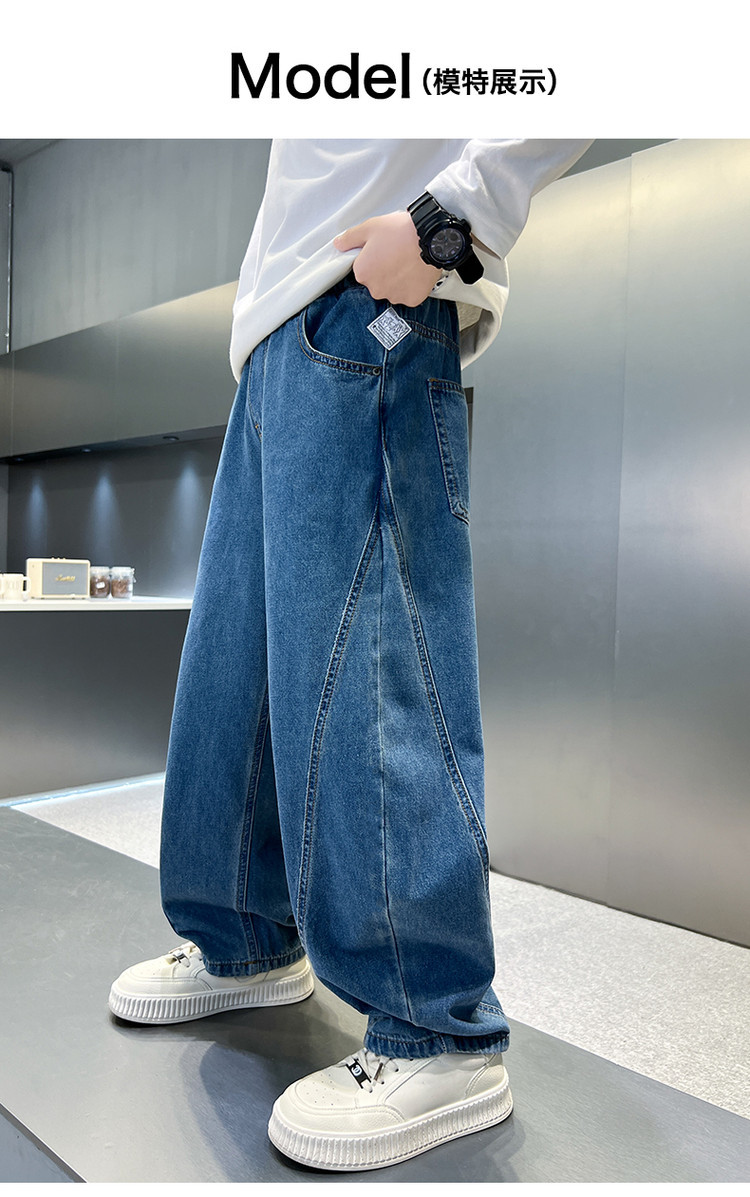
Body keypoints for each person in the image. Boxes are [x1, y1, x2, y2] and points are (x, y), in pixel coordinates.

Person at [108, 138, 592, 1172]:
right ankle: (243, 936)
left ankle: (436, 1028)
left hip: (366, 304)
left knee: (372, 660)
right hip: (275, 341)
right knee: (237, 677)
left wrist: (448, 220)